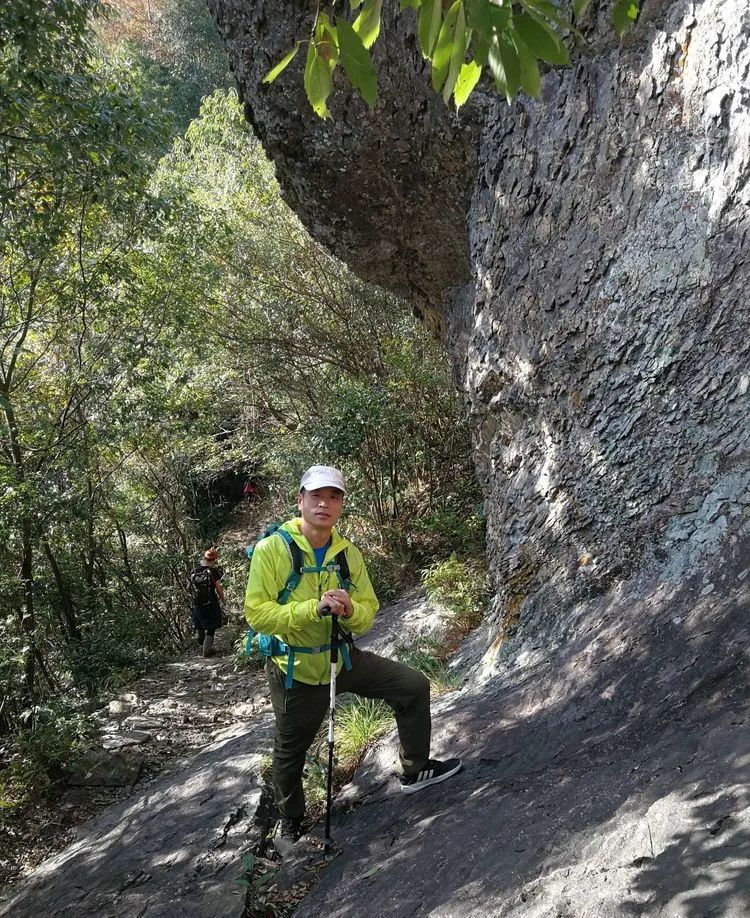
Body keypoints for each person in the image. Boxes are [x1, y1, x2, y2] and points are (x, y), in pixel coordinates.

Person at [244, 465, 462, 848]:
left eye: (333, 497)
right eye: (316, 496)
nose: (324, 504)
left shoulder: (347, 554)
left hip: (341, 659)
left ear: (342, 505)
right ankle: (291, 819)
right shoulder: (272, 549)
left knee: (411, 685)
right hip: (296, 671)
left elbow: (368, 611)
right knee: (289, 752)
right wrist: (312, 609)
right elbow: (257, 613)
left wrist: (348, 610)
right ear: (300, 501)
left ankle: (415, 769)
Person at [190, 547, 225, 657]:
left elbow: (190, 587)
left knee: (199, 623)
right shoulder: (213, 572)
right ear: (214, 560)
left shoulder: (194, 571)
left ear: (204, 558)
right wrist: (223, 600)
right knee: (212, 625)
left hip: (197, 603)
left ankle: (201, 640)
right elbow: (219, 588)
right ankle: (206, 649)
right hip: (211, 602)